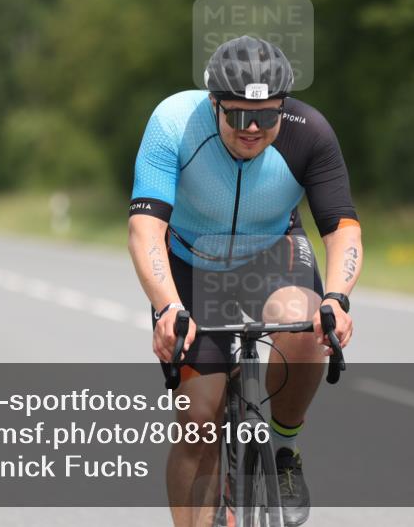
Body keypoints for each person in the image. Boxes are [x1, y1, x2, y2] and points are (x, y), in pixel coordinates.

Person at [128, 35, 362, 527]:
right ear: (214, 103)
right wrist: (168, 306)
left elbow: (342, 228)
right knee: (198, 421)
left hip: (271, 255)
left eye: (266, 115)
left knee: (307, 326)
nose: (252, 128)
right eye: (237, 115)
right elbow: (145, 229)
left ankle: (285, 448)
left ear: (283, 106)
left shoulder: (310, 132)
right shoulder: (174, 122)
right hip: (191, 265)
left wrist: (337, 298)